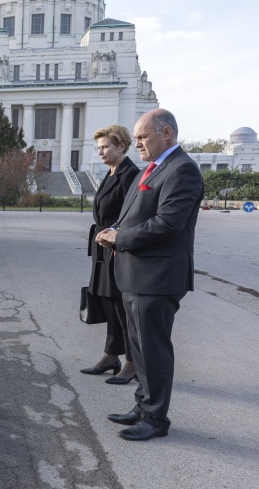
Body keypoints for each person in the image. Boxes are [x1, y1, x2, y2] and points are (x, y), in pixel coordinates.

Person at [95, 108, 203, 441]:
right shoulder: (154, 169)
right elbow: (133, 215)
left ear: (166, 134)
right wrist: (113, 228)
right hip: (136, 275)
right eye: (137, 137)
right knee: (139, 349)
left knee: (153, 349)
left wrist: (119, 238)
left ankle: (156, 418)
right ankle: (143, 406)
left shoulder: (182, 170)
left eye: (143, 136)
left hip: (156, 277)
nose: (137, 143)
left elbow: (168, 223)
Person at [80, 125, 139, 384]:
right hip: (103, 247)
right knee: (108, 303)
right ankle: (110, 355)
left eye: (105, 147)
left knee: (121, 307)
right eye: (99, 147)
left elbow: (133, 214)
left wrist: (112, 232)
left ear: (121, 147)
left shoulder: (131, 174)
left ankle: (133, 362)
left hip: (118, 248)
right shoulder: (111, 172)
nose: (100, 152)